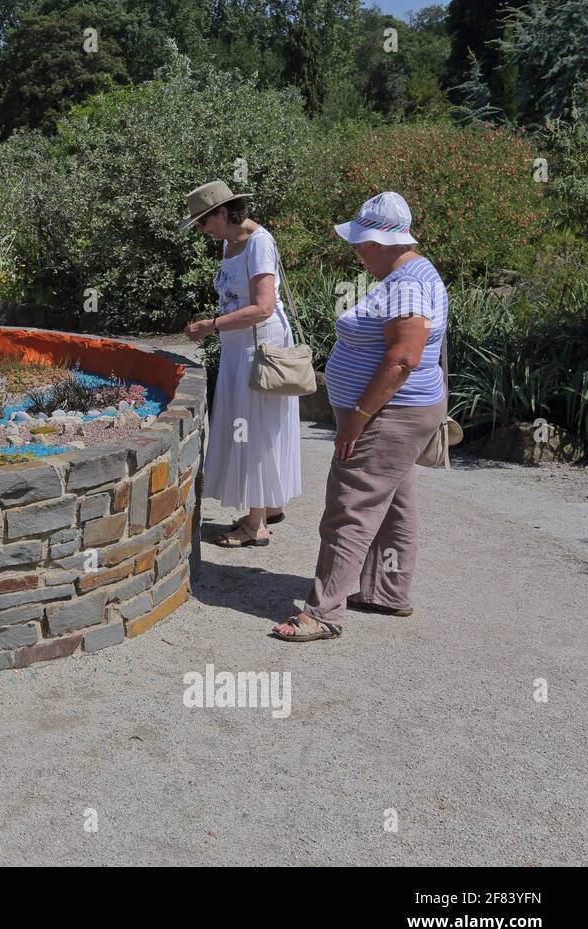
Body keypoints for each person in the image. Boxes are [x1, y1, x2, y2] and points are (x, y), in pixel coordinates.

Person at [272, 192, 448, 641]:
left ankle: (323, 612)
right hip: (406, 411)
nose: (355, 250)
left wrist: (358, 417)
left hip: (389, 414)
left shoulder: (406, 283)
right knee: (394, 504)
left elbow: (402, 358)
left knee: (348, 507)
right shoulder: (412, 272)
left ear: (380, 241)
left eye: (359, 242)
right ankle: (387, 592)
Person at [180, 180, 301, 547]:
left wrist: (211, 326)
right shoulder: (231, 244)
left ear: (222, 212)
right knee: (253, 429)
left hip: (258, 351)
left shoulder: (258, 243)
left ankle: (255, 526)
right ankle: (267, 506)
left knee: (252, 431)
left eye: (203, 222)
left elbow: (264, 307)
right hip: (241, 349)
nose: (202, 231)